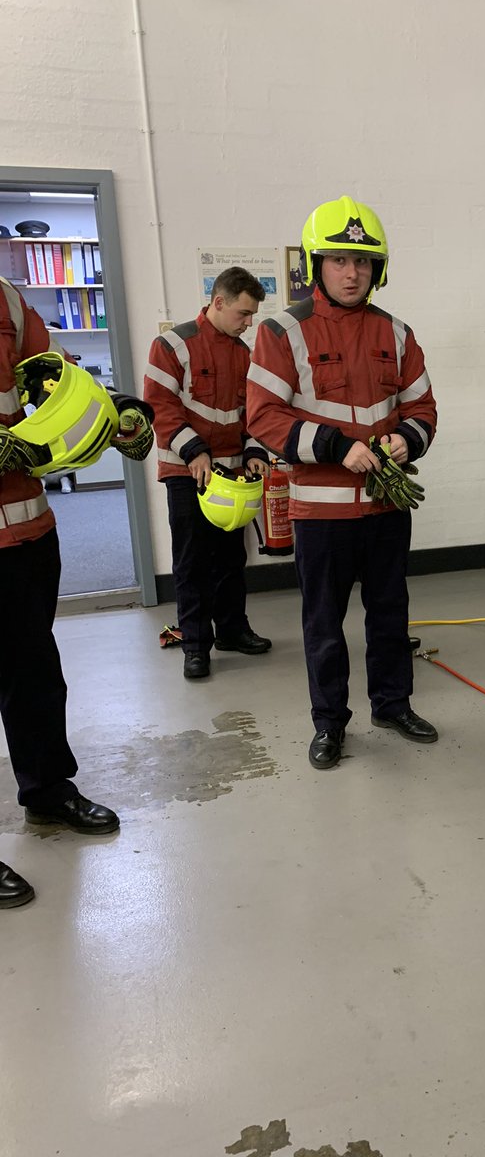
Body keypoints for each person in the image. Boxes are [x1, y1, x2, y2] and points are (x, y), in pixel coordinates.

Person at [247, 195, 438, 770]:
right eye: (338, 261)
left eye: (362, 261)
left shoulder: (398, 333)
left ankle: (392, 704)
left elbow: (423, 405)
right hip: (321, 514)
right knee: (324, 625)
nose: (352, 273)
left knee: (389, 614)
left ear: (378, 268)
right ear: (315, 266)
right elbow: (263, 415)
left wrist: (410, 437)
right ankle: (329, 723)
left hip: (385, 511)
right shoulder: (280, 332)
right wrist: (334, 446)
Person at [0, 275, 154, 908]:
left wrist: (112, 411)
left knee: (35, 670)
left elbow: (54, 379)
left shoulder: (6, 298)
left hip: (30, 531)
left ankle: (47, 790)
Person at [144, 266, 273, 680]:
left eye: (252, 315)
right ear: (218, 303)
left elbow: (252, 413)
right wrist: (195, 450)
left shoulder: (244, 354)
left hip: (231, 472)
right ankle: (196, 646)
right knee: (192, 560)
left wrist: (254, 451)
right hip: (185, 470)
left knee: (231, 557)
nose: (249, 323)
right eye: (243, 313)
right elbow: (159, 406)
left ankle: (232, 631)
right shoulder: (171, 345)